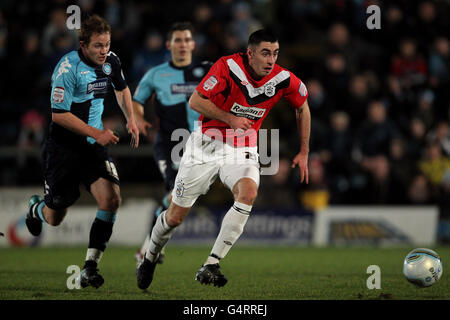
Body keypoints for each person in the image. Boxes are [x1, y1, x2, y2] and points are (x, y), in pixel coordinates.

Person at [136, 29, 311, 289]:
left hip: (242, 148)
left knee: (248, 193)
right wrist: (230, 119)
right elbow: (196, 101)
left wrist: (304, 150)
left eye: (275, 54)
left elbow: (302, 107)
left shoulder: (283, 78)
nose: (270, 60)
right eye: (265, 53)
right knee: (174, 217)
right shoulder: (227, 67)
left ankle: (211, 264)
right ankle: (149, 256)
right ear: (250, 54)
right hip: (206, 144)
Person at [24, 15, 139, 289]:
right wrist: (97, 132)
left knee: (111, 199)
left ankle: (90, 267)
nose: (104, 51)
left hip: (92, 148)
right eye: (98, 45)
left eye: (107, 44)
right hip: (63, 149)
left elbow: (122, 89)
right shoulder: (67, 68)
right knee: (55, 216)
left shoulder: (111, 61)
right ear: (83, 44)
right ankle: (35, 209)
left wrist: (130, 119)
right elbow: (59, 115)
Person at [132, 22, 212, 265]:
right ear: (169, 45)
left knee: (178, 199)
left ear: (193, 44)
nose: (183, 44)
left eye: (187, 39)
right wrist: (138, 119)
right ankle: (148, 250)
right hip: (170, 144)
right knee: (175, 193)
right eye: (177, 40)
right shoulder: (156, 74)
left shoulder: (208, 70)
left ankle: (150, 247)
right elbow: (137, 99)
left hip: (201, 145)